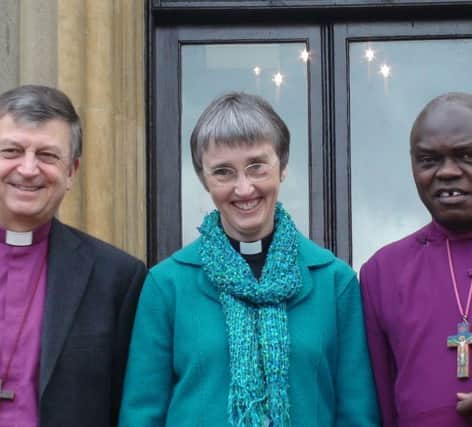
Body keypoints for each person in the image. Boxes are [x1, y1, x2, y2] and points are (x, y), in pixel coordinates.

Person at [118, 92, 379, 426]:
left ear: (282, 166)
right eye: (224, 172)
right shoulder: (166, 285)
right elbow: (142, 414)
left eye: (257, 167)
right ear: (203, 179)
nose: (244, 189)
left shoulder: (335, 282)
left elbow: (357, 414)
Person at [0, 85, 147, 427]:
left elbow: (128, 407)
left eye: (48, 156)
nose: (29, 168)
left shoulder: (117, 278)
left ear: (71, 172)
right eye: (12, 151)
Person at [360, 92, 472, 427]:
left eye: (467, 156)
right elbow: (379, 409)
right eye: (428, 160)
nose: (447, 172)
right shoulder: (382, 273)